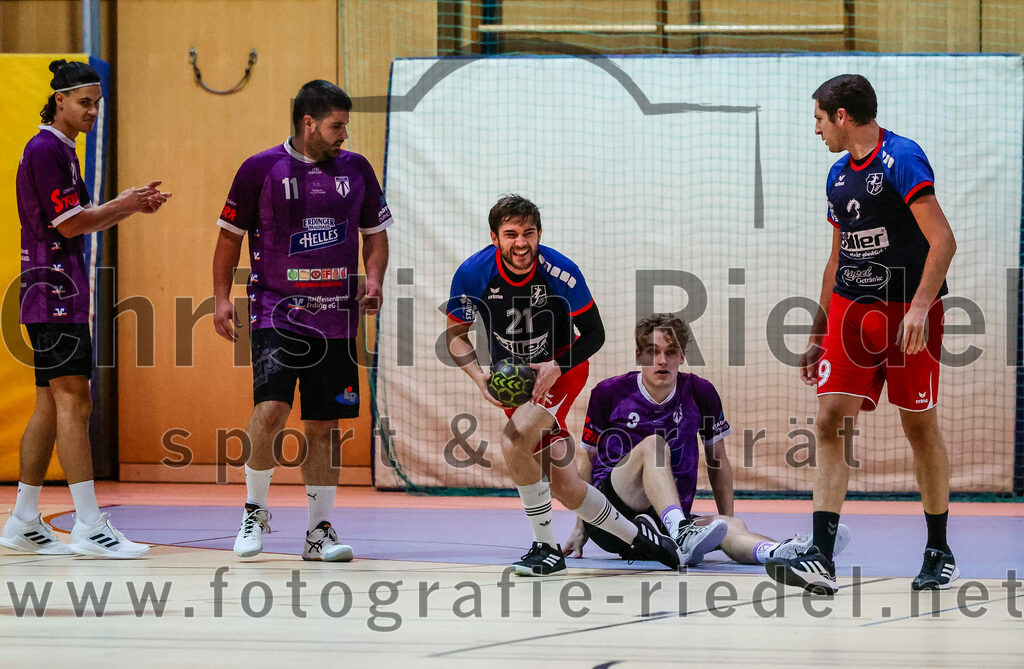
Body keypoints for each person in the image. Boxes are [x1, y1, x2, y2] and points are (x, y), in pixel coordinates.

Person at [766, 74, 958, 594]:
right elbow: (836, 259)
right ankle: (821, 557)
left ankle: (938, 548)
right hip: (852, 309)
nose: (816, 129)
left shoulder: (902, 159)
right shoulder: (835, 175)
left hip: (906, 312)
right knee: (829, 419)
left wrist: (920, 308)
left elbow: (943, 241)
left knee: (919, 426)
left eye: (818, 118)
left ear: (842, 117)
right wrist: (817, 331)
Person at [445, 195, 683, 576]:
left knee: (513, 439)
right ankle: (640, 540)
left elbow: (595, 334)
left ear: (539, 234)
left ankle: (545, 548)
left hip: (562, 369)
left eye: (528, 233)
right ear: (494, 238)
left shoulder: (561, 272)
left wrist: (557, 364)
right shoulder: (473, 274)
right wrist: (478, 377)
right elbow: (455, 335)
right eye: (510, 234)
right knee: (564, 485)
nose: (521, 243)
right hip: (515, 381)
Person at [213, 80, 392, 562]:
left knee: (324, 425)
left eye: (346, 126)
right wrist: (220, 297)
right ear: (308, 122)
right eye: (337, 126)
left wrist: (373, 280)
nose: (344, 136)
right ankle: (254, 511)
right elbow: (229, 238)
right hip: (276, 312)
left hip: (336, 320)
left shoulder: (357, 170)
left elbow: (375, 237)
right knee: (270, 410)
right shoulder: (260, 169)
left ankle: (319, 533)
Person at [1, 59, 169, 558]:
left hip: (52, 293)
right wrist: (126, 204)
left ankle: (24, 520)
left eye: (97, 103)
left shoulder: (63, 150)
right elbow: (70, 225)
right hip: (54, 298)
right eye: (85, 102)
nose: (94, 111)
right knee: (77, 404)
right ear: (60, 101)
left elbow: (75, 221)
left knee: (51, 406)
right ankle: (90, 526)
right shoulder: (47, 149)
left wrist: (124, 206)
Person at [562, 314, 851, 567]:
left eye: (671, 352)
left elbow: (717, 460)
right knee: (654, 445)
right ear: (639, 355)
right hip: (612, 519)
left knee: (728, 526)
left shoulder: (700, 392)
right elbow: (586, 459)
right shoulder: (609, 392)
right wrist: (581, 528)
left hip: (662, 527)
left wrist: (726, 519)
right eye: (653, 351)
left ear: (682, 356)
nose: (662, 360)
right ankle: (681, 531)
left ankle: (788, 552)